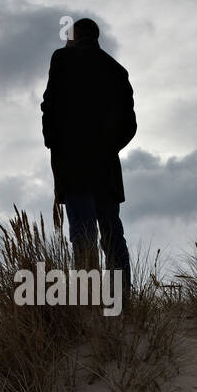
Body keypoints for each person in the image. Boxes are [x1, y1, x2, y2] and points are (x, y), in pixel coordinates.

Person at [40, 17, 137, 300]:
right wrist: (109, 147)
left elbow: (50, 106)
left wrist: (54, 143)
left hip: (73, 164)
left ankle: (88, 300)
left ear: (76, 34)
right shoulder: (117, 71)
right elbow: (130, 125)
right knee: (111, 232)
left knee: (82, 233)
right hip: (106, 166)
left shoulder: (62, 59)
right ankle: (121, 298)